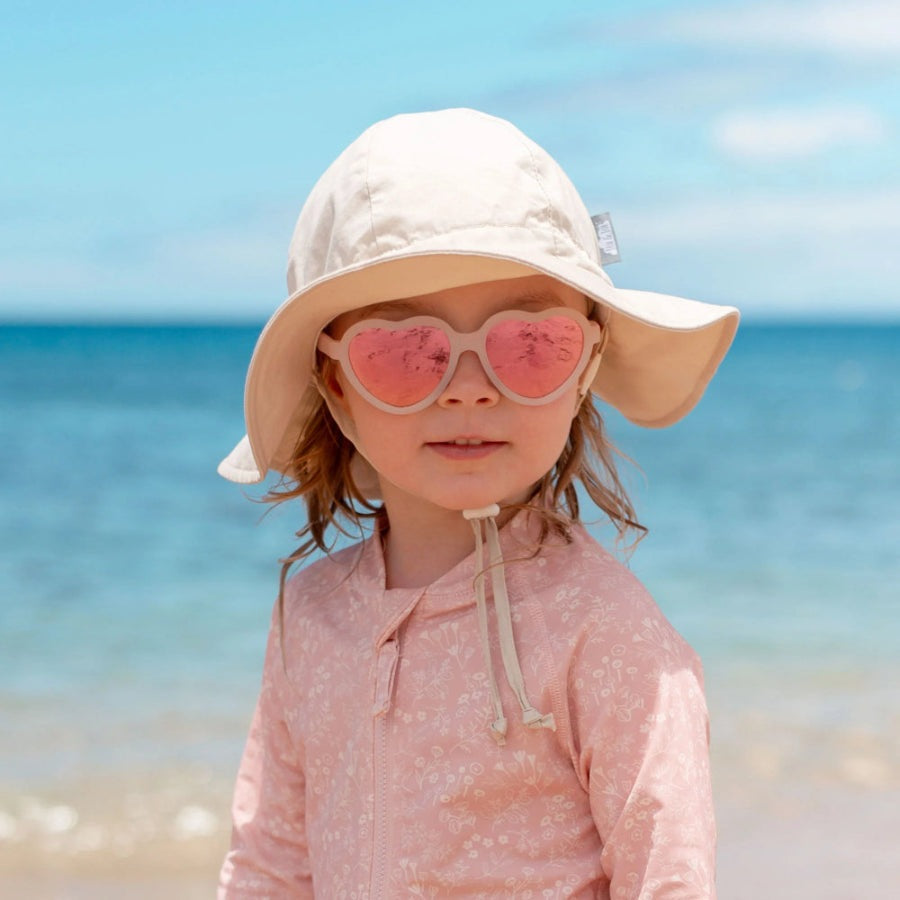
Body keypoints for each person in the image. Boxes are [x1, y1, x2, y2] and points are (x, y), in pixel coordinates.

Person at [216, 108, 739, 898]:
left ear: (584, 369)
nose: (468, 389)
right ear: (336, 385)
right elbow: (270, 863)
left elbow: (668, 877)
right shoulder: (310, 613)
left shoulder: (606, 632)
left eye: (530, 345)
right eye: (405, 351)